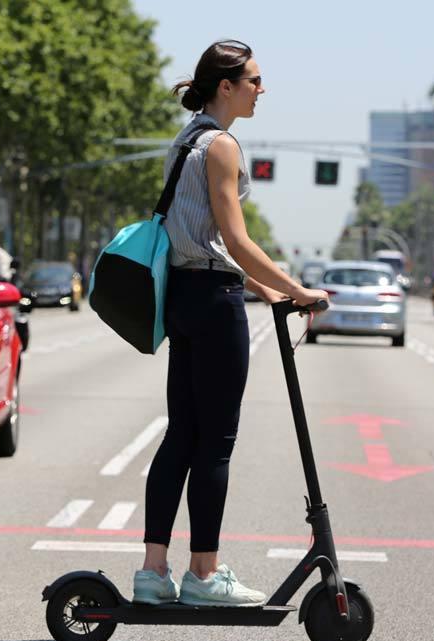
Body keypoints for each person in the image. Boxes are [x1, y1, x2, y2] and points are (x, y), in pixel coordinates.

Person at [134, 39, 329, 608]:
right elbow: (235, 240)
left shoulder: (185, 139)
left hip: (185, 298)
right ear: (227, 86)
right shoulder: (221, 145)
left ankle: (153, 572)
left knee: (180, 436)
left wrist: (268, 291)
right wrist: (298, 289)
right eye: (253, 80)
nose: (260, 90)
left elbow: (201, 242)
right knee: (215, 444)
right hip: (216, 307)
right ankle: (204, 574)